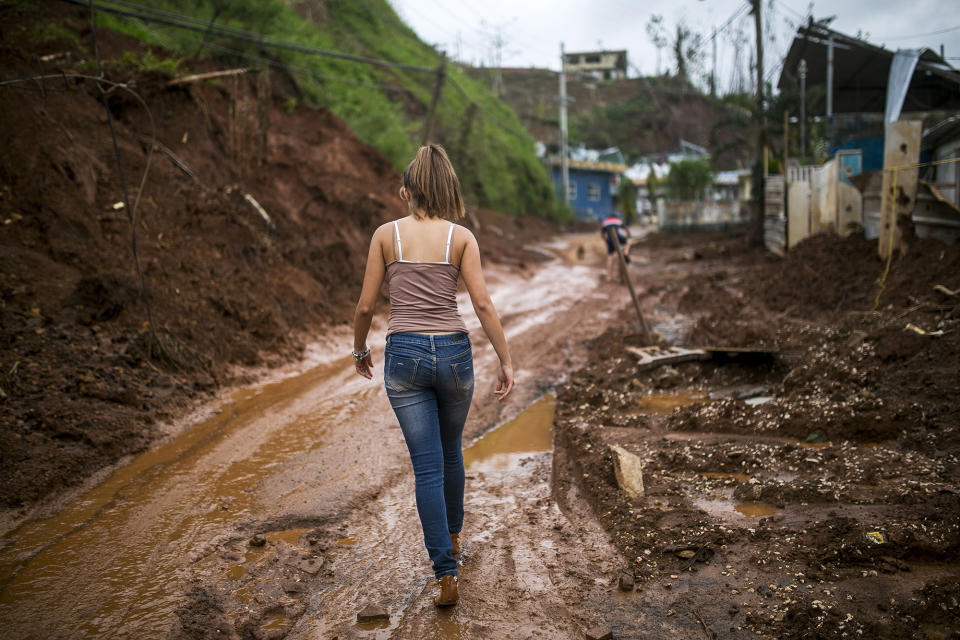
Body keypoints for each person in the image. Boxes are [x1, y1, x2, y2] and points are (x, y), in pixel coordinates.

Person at [352, 144, 514, 608]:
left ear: (406, 190)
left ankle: (446, 574)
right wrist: (505, 359)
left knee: (426, 466)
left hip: (403, 355)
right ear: (447, 189)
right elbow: (482, 304)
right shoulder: (460, 238)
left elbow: (365, 306)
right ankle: (456, 536)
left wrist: (360, 349)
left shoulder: (386, 235)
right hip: (454, 355)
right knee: (450, 453)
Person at [600, 213, 630, 283]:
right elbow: (626, 228)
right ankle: (625, 252)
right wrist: (628, 235)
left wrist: (606, 241)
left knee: (610, 257)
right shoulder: (617, 220)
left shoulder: (605, 221)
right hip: (617, 237)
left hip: (610, 239)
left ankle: (608, 277)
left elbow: (602, 234)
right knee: (628, 243)